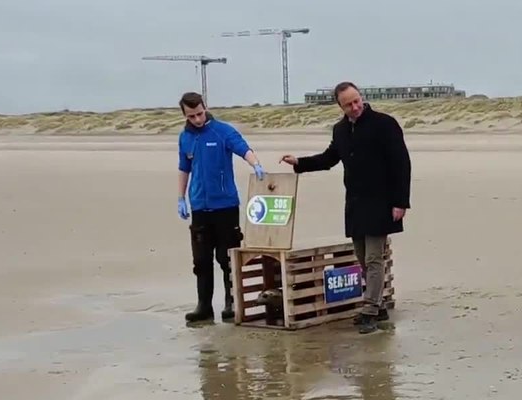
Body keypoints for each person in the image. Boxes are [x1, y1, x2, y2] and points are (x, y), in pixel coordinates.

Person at [281, 81, 412, 335]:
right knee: (363, 259)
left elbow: (402, 163)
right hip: (355, 203)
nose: (355, 107)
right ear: (340, 107)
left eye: (357, 100)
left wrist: (400, 202)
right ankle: (380, 304)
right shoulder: (340, 130)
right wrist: (299, 162)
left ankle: (370, 310)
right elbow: (329, 158)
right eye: (348, 104)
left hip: (382, 201)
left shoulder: (385, 124)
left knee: (375, 258)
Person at [176, 91, 266, 323]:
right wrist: (181, 197)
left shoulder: (222, 130)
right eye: (191, 116)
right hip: (199, 206)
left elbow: (243, 148)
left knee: (226, 259)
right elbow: (184, 168)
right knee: (201, 261)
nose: (197, 119)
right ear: (185, 115)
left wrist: (255, 164)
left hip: (225, 205)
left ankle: (231, 302)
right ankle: (204, 306)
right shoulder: (185, 137)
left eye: (199, 113)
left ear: (205, 107)